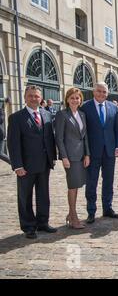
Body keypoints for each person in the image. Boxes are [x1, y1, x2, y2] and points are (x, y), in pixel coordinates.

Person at [7, 85, 57, 239]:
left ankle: (43, 222)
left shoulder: (46, 115)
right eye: (31, 96)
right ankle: (28, 226)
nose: (34, 99)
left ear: (40, 98)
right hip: (26, 166)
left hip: (44, 164)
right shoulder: (16, 117)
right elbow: (13, 143)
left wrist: (52, 158)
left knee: (43, 194)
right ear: (25, 97)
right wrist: (17, 165)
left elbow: (49, 138)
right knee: (25, 196)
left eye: (36, 96)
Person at [80, 82, 118, 224]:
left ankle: (107, 208)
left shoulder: (113, 107)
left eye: (104, 92)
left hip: (109, 151)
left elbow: (117, 129)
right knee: (92, 182)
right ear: (94, 92)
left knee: (108, 181)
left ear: (107, 93)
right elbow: (83, 133)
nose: (101, 94)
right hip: (92, 152)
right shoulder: (85, 107)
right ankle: (91, 211)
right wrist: (85, 152)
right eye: (99, 91)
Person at [54, 88, 90, 229]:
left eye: (77, 98)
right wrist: (64, 157)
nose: (75, 100)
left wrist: (87, 154)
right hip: (70, 156)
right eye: (72, 98)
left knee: (77, 185)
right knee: (72, 186)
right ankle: (74, 217)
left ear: (80, 100)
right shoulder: (62, 115)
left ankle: (70, 214)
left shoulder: (82, 114)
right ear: (67, 99)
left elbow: (85, 136)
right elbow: (59, 138)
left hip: (81, 155)